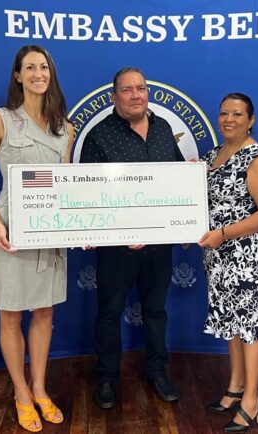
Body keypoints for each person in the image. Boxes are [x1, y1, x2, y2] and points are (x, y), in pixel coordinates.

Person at [0, 45, 74, 433]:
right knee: (11, 314)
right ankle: (21, 392)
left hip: (50, 231)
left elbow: (67, 185)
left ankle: (40, 389)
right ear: (17, 76)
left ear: (51, 73)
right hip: (12, 232)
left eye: (43, 67)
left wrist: (79, 227)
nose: (37, 74)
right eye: (29, 67)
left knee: (45, 313)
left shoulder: (65, 128)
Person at [80, 67, 185, 409]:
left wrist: (185, 225)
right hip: (116, 248)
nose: (136, 95)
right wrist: (114, 231)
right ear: (115, 96)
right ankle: (107, 378)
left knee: (155, 310)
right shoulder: (99, 135)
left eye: (141, 88)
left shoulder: (163, 128)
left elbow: (180, 180)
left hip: (159, 245)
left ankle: (156, 371)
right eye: (127, 90)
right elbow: (87, 193)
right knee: (109, 313)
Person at [198, 93, 258, 432]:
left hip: (243, 254)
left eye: (237, 114)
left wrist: (224, 233)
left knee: (249, 325)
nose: (228, 119)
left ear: (251, 120)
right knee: (230, 321)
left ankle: (251, 400)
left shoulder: (255, 158)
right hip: (216, 254)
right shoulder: (212, 155)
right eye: (223, 113)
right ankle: (234, 386)